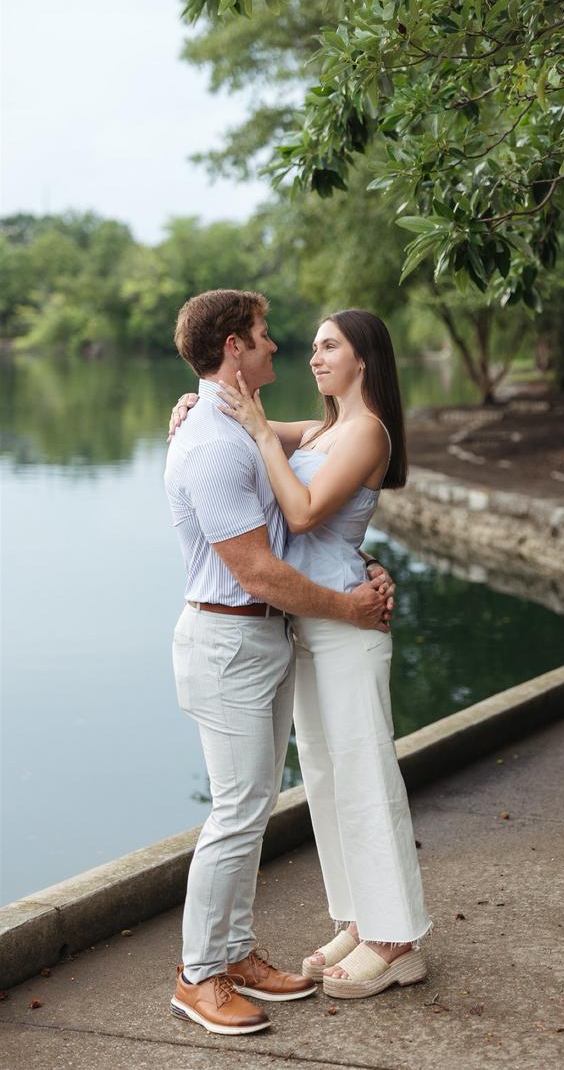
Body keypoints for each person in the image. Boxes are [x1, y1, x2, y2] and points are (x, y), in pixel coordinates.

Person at [164, 290, 392, 1036]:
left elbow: (319, 499)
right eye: (262, 336)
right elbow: (260, 570)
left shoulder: (238, 425)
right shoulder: (213, 440)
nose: (277, 347)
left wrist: (366, 565)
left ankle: (231, 951)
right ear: (234, 348)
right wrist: (350, 605)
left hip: (263, 638)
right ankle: (199, 974)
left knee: (252, 806)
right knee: (235, 810)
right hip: (230, 638)